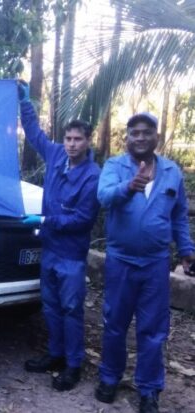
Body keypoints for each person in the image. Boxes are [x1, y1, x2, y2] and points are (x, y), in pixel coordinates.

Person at [95, 112, 195, 413]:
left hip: (155, 263)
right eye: (134, 133)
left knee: (153, 330)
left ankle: (149, 389)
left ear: (157, 137)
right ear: (127, 137)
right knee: (115, 323)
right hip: (121, 261)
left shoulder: (172, 171)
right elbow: (103, 196)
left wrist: (187, 251)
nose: (139, 137)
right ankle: (110, 378)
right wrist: (129, 187)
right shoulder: (115, 166)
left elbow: (178, 216)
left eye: (146, 132)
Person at [17, 80, 101, 391]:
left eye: (78, 139)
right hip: (50, 249)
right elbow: (35, 133)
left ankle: (73, 364)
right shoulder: (55, 155)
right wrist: (25, 103)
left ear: (88, 141)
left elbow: (82, 218)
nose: (72, 144)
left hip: (71, 255)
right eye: (68, 138)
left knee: (71, 309)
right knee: (50, 306)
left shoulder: (93, 176)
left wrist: (45, 219)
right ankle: (55, 355)